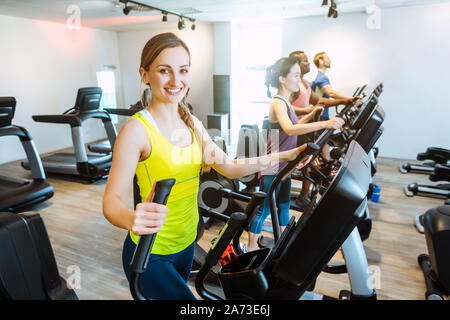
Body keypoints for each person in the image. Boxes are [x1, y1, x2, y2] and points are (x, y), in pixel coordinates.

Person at [102, 33, 310, 300]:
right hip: (151, 253)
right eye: (164, 71)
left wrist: (284, 156)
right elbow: (111, 202)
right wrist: (133, 218)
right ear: (145, 74)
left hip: (187, 243)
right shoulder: (136, 131)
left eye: (183, 70)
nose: (176, 81)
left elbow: (229, 166)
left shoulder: (189, 120)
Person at [246, 57, 344, 252]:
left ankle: (282, 246)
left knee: (283, 205)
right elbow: (290, 130)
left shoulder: (286, 102)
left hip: (286, 165)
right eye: (296, 76)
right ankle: (248, 250)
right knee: (265, 209)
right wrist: (325, 123)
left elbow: (295, 125)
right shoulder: (277, 102)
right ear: (283, 79)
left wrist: (312, 114)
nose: (299, 81)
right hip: (273, 164)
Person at [311, 52, 357, 118]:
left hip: (319, 116)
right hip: (320, 117)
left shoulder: (318, 77)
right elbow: (331, 93)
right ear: (320, 61)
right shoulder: (321, 77)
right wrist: (352, 99)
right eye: (327, 58)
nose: (330, 60)